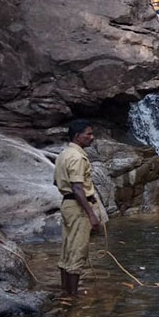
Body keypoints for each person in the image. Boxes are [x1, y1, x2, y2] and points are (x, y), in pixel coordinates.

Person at [53, 119, 102, 297]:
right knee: (78, 249)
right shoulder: (77, 157)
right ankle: (73, 296)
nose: (92, 137)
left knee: (67, 247)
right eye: (88, 134)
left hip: (67, 204)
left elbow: (56, 181)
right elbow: (77, 187)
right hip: (78, 205)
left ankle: (65, 292)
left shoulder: (63, 154)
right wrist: (92, 214)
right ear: (77, 136)